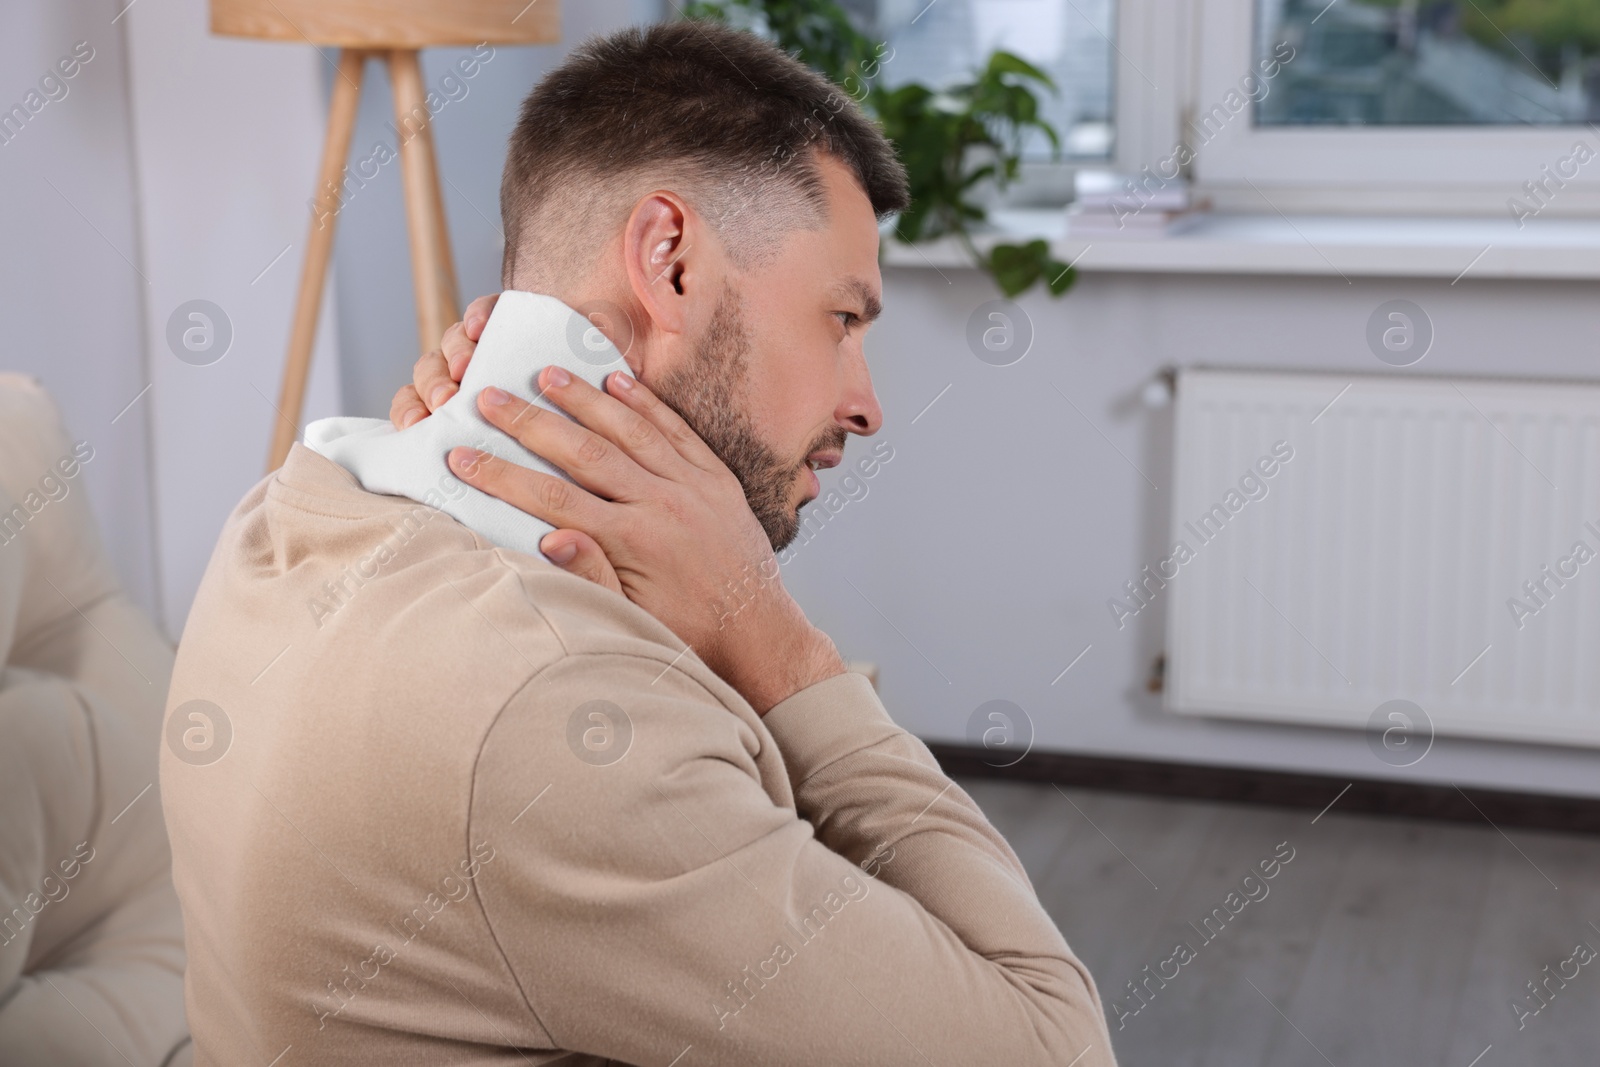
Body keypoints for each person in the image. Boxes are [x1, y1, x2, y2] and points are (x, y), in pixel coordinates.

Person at [161, 19, 1116, 1066]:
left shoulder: (289, 511)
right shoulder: (558, 714)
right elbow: (1052, 1045)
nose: (867, 404)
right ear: (667, 261)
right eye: (842, 318)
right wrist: (773, 637)